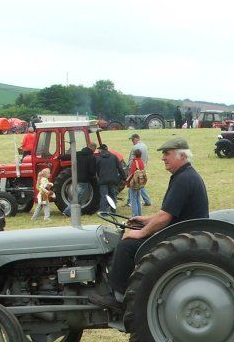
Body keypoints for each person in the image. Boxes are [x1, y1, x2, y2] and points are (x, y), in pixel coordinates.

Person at [88, 137, 209, 311]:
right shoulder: (185, 175)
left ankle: (118, 297)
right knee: (131, 233)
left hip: (183, 237)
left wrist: (141, 232)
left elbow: (165, 218)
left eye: (167, 153)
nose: (163, 158)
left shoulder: (183, 179)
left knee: (126, 246)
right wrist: (144, 220)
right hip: (183, 231)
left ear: (182, 156)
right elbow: (168, 213)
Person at [63, 146, 97, 216]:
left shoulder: (79, 154)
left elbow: (69, 156)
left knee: (81, 194)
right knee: (79, 195)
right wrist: (93, 175)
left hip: (77, 177)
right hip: (85, 178)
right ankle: (67, 211)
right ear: (93, 149)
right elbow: (92, 170)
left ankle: (79, 210)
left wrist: (60, 157)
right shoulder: (91, 157)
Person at [95, 143, 126, 212]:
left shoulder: (98, 158)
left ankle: (103, 212)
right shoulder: (114, 157)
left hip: (103, 180)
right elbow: (120, 168)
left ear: (101, 150)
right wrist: (124, 177)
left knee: (104, 196)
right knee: (113, 195)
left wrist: (98, 176)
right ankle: (113, 211)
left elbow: (96, 169)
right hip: (113, 180)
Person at [128, 133, 152, 206]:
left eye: (132, 139)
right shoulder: (145, 145)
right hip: (142, 166)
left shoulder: (135, 147)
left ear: (136, 139)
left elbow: (131, 160)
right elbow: (147, 157)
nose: (132, 141)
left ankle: (130, 201)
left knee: (133, 184)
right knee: (140, 184)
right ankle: (147, 200)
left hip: (135, 168)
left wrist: (128, 169)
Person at [126, 150, 147, 216]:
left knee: (133, 199)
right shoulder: (141, 161)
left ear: (135, 155)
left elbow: (131, 173)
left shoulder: (134, 162)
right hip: (140, 182)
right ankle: (139, 214)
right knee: (138, 198)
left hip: (134, 183)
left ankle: (135, 214)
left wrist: (128, 182)